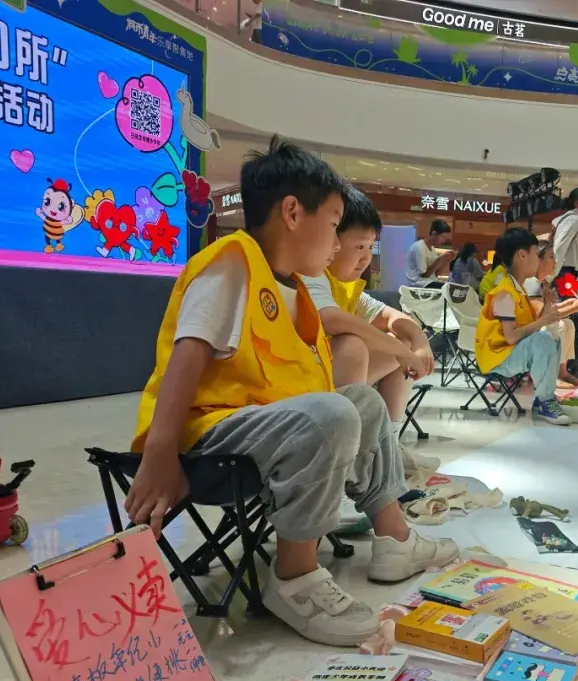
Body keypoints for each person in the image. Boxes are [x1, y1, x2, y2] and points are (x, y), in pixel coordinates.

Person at [123, 137, 458, 645]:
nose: (337, 243)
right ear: (293, 213)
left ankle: (394, 537)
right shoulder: (232, 262)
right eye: (333, 224)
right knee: (332, 413)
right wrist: (161, 451)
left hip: (262, 431)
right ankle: (296, 576)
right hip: (210, 438)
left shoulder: (295, 288)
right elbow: (185, 358)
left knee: (362, 402)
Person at [304, 185, 439, 473]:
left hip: (322, 387)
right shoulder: (312, 276)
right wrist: (401, 350)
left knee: (399, 339)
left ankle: (387, 447)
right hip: (305, 394)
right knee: (352, 346)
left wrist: (419, 343)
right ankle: (349, 458)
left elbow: (393, 317)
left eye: (370, 247)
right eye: (359, 247)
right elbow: (331, 319)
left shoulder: (344, 287)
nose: (366, 258)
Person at [476, 228, 571, 425]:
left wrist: (546, 309)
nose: (538, 260)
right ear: (522, 255)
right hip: (498, 356)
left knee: (553, 337)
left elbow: (528, 328)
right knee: (545, 338)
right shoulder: (504, 292)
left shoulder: (517, 289)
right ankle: (545, 400)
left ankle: (544, 397)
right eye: (536, 254)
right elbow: (511, 336)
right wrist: (543, 321)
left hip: (508, 351)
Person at [526, 241, 578, 387]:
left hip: (535, 329)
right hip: (528, 333)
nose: (555, 261)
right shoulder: (532, 283)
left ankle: (562, 372)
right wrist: (573, 308)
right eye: (551, 257)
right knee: (558, 325)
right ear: (538, 259)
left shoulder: (542, 284)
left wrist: (567, 305)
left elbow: (546, 310)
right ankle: (550, 374)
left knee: (568, 323)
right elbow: (541, 317)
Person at [550, 187, 578, 298]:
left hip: (564, 270)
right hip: (565, 272)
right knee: (566, 305)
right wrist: (553, 273)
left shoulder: (568, 219)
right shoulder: (574, 220)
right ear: (577, 202)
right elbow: (560, 246)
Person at [405, 219, 455, 288]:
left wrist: (447, 260)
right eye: (443, 237)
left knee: (451, 287)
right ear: (434, 233)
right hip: (419, 284)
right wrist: (439, 259)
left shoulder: (432, 249)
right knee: (448, 288)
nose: (444, 241)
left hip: (430, 282)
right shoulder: (419, 247)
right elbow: (425, 275)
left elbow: (436, 274)